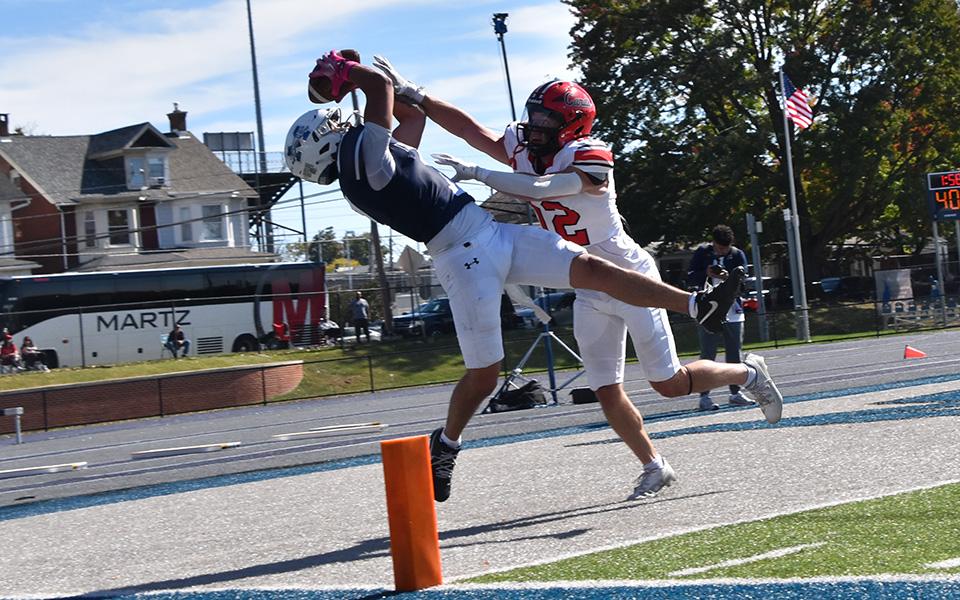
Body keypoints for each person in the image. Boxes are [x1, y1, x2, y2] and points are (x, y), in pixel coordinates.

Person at [286, 49, 746, 503]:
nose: (342, 121)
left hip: (488, 232)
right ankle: (445, 445)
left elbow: (411, 118)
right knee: (485, 374)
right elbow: (380, 92)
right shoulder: (364, 157)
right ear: (325, 139)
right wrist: (347, 68)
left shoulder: (362, 164)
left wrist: (412, 94)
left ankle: (694, 304)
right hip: (461, 255)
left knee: (594, 268)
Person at [688, 225, 756, 411]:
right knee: (708, 355)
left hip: (732, 310)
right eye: (719, 248)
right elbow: (690, 277)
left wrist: (729, 278)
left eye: (725, 249)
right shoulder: (703, 253)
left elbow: (745, 283)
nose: (723, 251)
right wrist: (707, 274)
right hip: (708, 310)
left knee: (734, 353)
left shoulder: (737, 255)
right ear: (713, 243)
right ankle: (705, 396)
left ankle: (735, 393)